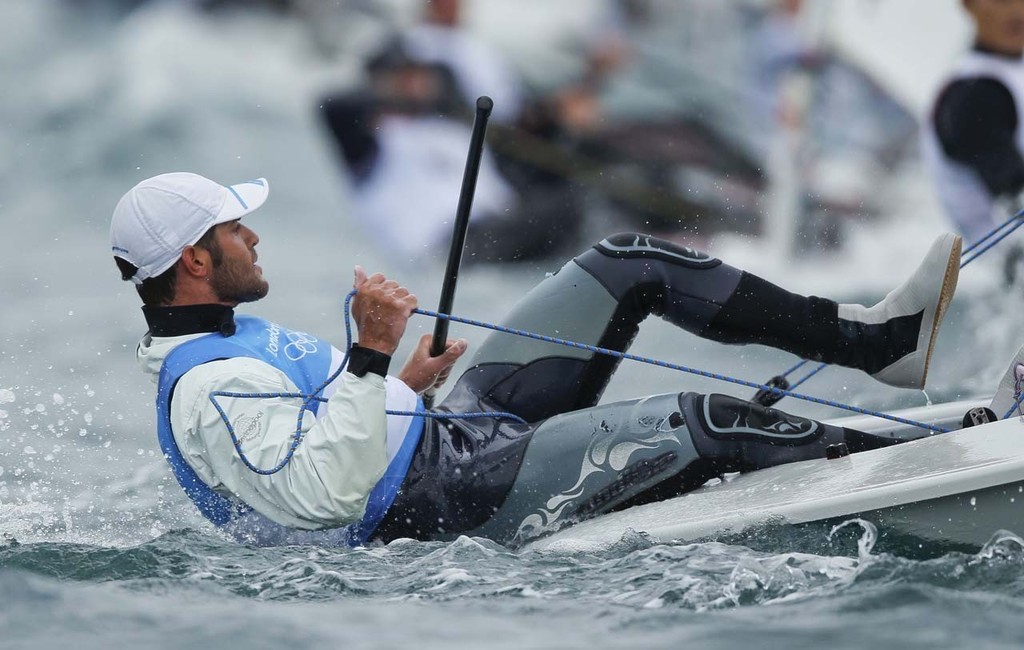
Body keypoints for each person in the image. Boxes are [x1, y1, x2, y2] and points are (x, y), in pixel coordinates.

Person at [112, 172, 962, 547]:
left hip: (448, 432)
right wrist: (372, 354)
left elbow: (317, 432)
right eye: (233, 229)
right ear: (194, 260)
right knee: (702, 424)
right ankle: (945, 463)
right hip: (440, 502)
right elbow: (317, 498)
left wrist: (402, 383)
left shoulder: (221, 337)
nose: (252, 236)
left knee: (630, 263)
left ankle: (879, 343)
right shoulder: (211, 385)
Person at [926, 0, 1024, 248]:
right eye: (1002, 1)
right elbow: (1014, 190)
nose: (1016, 10)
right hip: (996, 271)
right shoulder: (973, 94)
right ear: (968, 5)